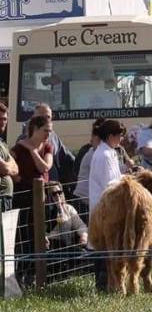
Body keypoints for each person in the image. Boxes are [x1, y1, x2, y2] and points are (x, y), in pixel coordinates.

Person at [87, 119, 126, 291]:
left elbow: (116, 177)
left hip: (110, 207)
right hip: (103, 208)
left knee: (109, 244)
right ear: (111, 136)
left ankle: (111, 283)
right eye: (119, 136)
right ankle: (103, 284)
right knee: (103, 245)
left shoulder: (109, 152)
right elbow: (110, 184)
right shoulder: (103, 155)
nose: (121, 140)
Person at [44, 182, 88, 250]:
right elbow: (44, 231)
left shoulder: (68, 208)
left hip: (68, 244)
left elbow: (80, 225)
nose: (58, 195)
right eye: (54, 194)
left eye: (59, 192)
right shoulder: (43, 212)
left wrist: (83, 236)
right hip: (52, 245)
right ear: (47, 196)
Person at [0, 104, 18, 212]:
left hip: (6, 199)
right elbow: (5, 169)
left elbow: (16, 169)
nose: (2, 123)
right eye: (0, 119)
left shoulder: (2, 143)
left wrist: (9, 163)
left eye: (4, 119)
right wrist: (9, 163)